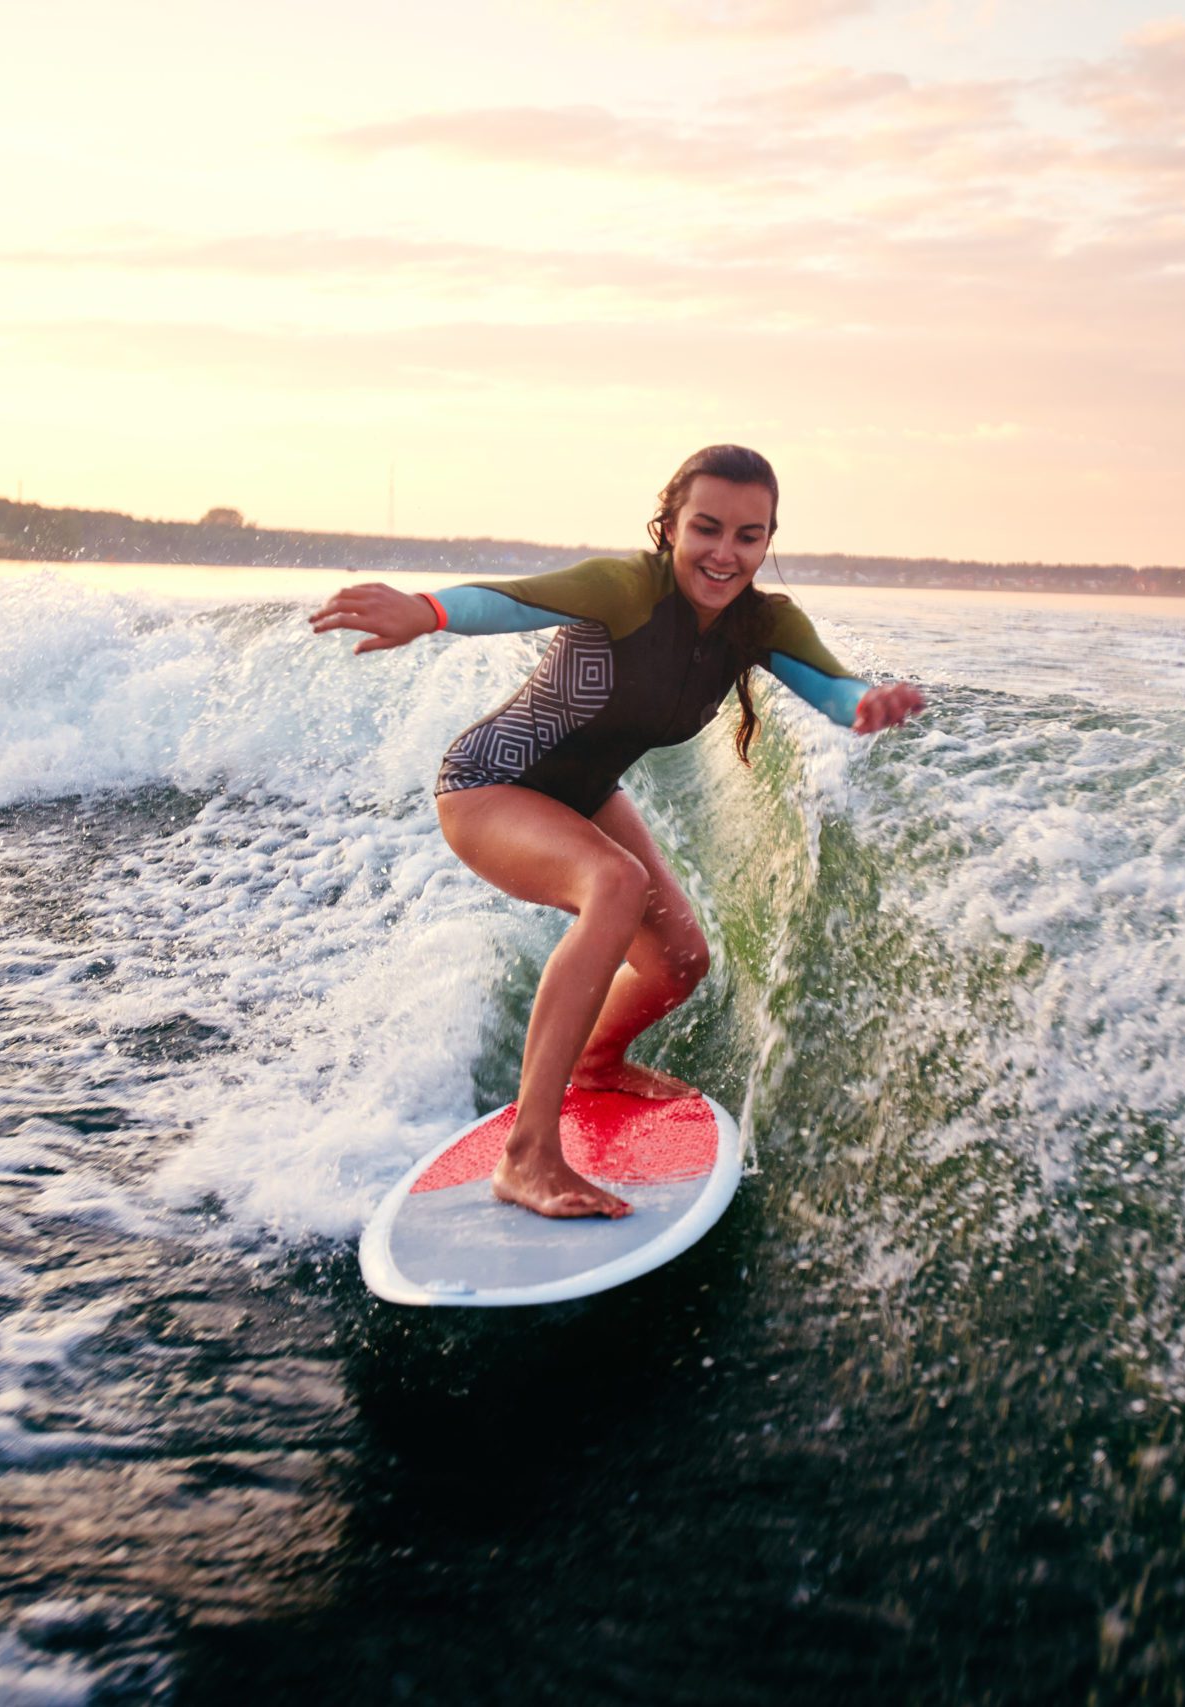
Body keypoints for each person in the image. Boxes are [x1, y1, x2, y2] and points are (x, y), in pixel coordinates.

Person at [309, 445, 925, 1219]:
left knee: (678, 960)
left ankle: (597, 1061)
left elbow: (831, 686)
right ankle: (527, 1155)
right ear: (669, 526)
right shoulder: (624, 586)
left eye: (748, 535)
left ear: (768, 541)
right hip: (490, 784)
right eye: (707, 528)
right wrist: (427, 612)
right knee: (615, 881)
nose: (725, 553)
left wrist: (864, 705)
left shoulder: (763, 623)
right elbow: (512, 600)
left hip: (586, 793)